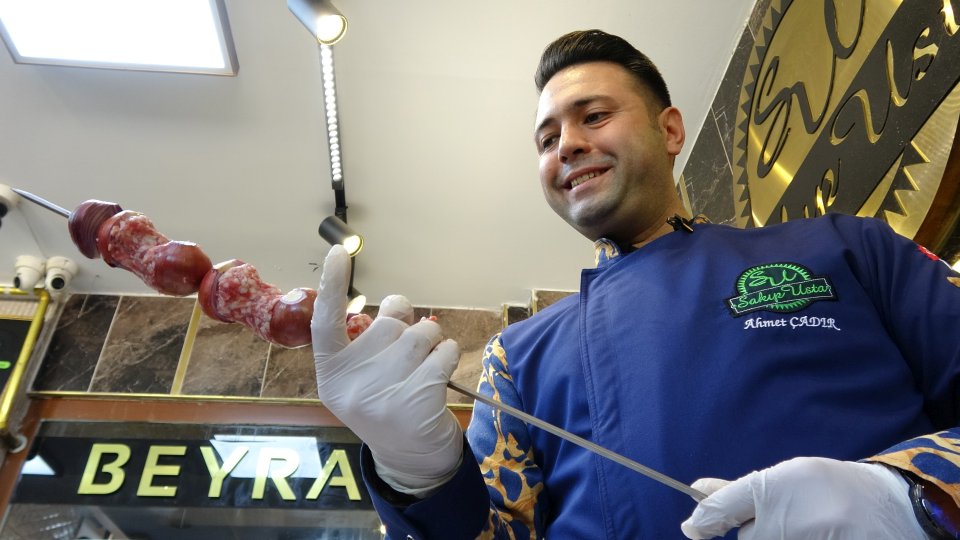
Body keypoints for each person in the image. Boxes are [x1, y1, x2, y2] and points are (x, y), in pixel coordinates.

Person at [311, 29, 960, 539]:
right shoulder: (517, 357)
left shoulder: (847, 247)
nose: (567, 145)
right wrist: (419, 480)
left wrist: (913, 498)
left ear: (670, 130)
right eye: (546, 139)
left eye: (593, 116)